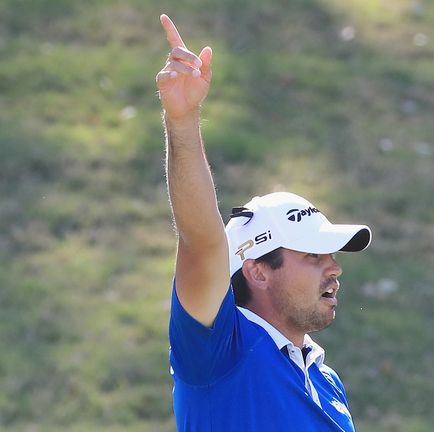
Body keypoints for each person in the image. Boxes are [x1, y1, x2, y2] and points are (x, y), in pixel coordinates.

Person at [155, 14, 372, 431]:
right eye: (311, 255)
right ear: (256, 270)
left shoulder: (326, 382)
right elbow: (202, 242)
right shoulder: (218, 351)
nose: (334, 266)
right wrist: (182, 121)